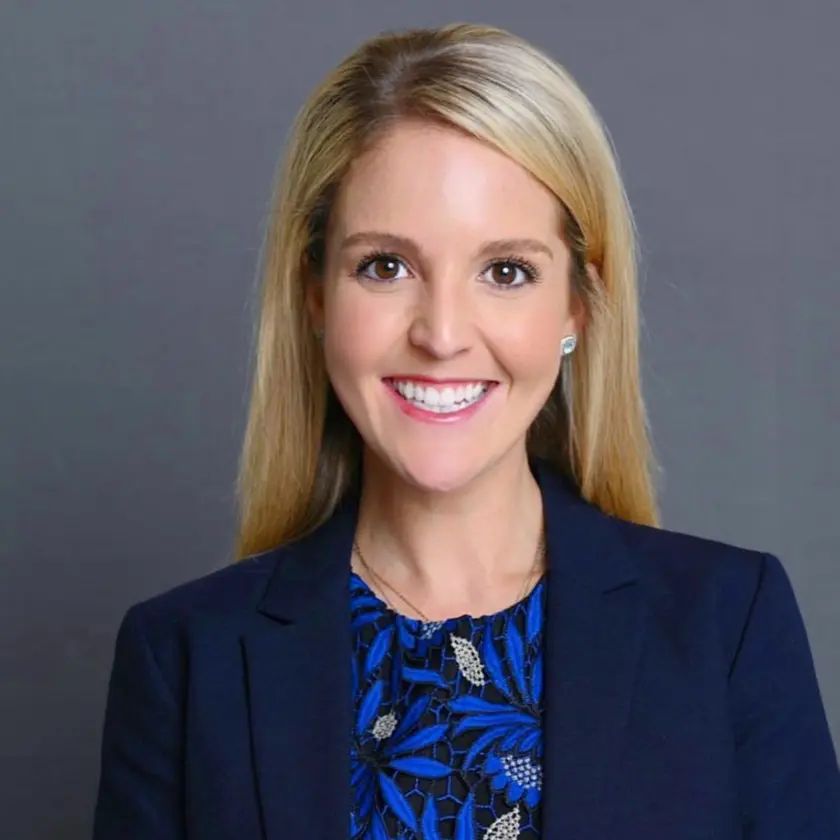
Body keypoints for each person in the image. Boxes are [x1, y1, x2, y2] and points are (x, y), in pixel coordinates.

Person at [92, 22, 840, 840]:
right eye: (385, 266)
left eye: (506, 271)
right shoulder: (183, 657)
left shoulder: (728, 626)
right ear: (315, 295)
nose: (442, 334)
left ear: (577, 307)